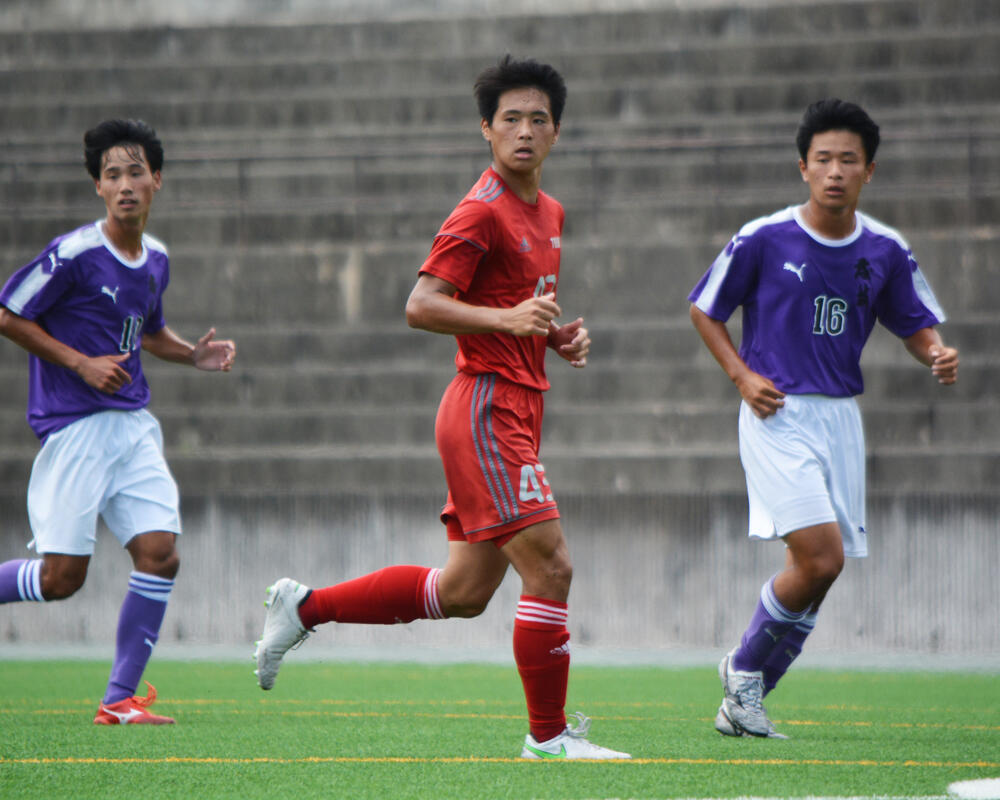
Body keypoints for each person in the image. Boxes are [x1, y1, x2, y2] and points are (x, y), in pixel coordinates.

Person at [254, 55, 630, 760]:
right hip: (486, 409)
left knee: (462, 592)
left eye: (538, 119)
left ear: (557, 131)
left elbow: (516, 305)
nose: (524, 131)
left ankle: (306, 607)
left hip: (516, 403)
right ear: (485, 129)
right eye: (509, 119)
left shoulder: (548, 212)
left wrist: (553, 334)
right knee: (551, 567)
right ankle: (548, 740)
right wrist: (513, 323)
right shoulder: (479, 209)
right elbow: (420, 305)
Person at [688, 98, 959, 738]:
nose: (835, 171)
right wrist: (742, 376)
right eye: (823, 159)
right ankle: (744, 667)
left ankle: (747, 697)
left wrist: (936, 355)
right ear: (802, 168)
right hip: (777, 412)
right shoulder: (764, 237)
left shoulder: (886, 249)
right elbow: (705, 308)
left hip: (841, 419)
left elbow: (914, 322)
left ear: (870, 171)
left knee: (825, 569)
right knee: (818, 557)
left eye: (849, 160)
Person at [0, 119, 236, 725]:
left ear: (156, 179)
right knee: (60, 581)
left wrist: (191, 354)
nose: (125, 184)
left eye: (136, 172)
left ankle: (119, 700)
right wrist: (79, 363)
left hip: (132, 426)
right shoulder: (75, 254)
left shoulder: (156, 258)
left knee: (160, 554)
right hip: (75, 427)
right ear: (98, 189)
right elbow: (8, 313)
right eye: (112, 175)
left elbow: (148, 331)